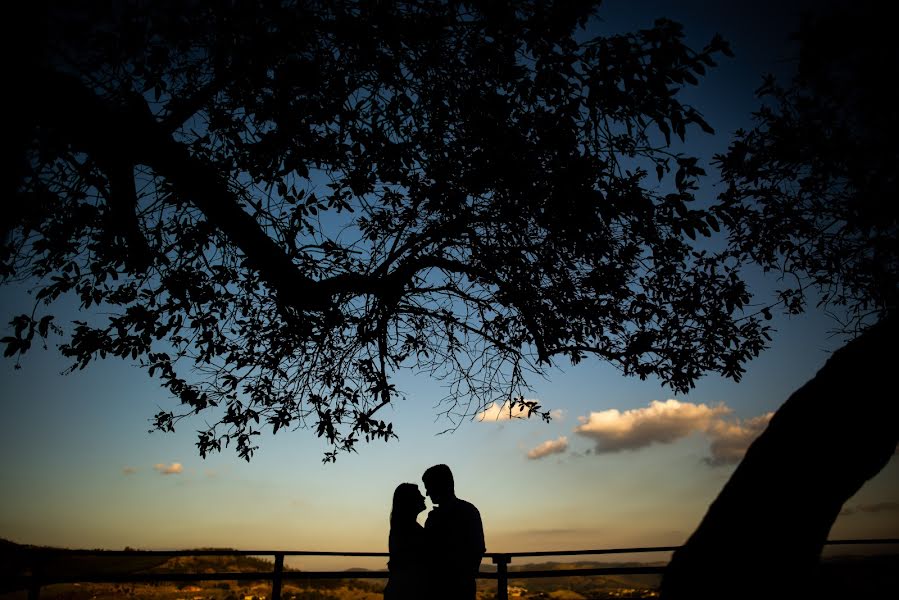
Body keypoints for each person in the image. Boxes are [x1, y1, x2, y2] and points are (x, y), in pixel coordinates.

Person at [422, 464, 485, 600]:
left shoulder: (433, 518)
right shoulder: (470, 511)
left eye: (428, 487)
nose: (427, 493)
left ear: (441, 485)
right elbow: (478, 549)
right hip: (460, 589)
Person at [384, 482, 427, 599]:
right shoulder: (409, 529)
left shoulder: (401, 527)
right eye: (419, 495)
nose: (424, 497)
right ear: (409, 501)